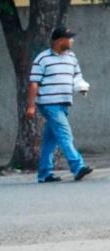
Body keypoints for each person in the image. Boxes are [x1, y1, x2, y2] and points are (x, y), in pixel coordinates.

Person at [26, 27, 93, 183]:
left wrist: (81, 88)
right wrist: (31, 106)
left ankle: (44, 174)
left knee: (50, 139)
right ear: (59, 40)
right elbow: (34, 83)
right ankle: (77, 167)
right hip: (49, 104)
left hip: (64, 103)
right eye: (69, 38)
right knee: (65, 134)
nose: (72, 41)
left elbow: (77, 77)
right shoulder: (42, 59)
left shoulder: (72, 57)